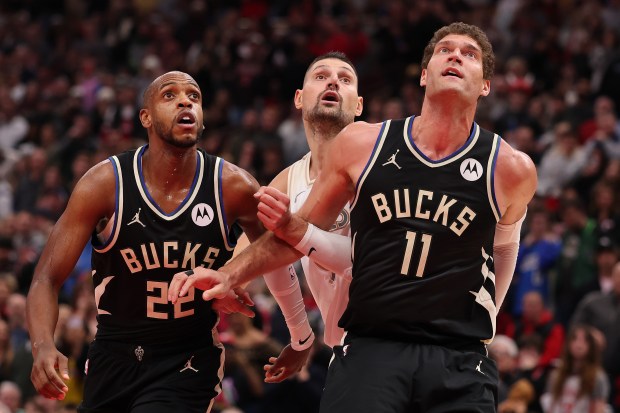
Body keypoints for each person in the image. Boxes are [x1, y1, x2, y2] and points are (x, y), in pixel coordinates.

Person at [169, 22, 538, 412]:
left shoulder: (511, 168)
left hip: (459, 357)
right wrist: (229, 274)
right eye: (445, 50)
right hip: (371, 345)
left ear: (485, 85)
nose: (456, 56)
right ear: (424, 74)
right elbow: (288, 239)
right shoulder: (365, 144)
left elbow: (504, 247)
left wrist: (489, 317)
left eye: (470, 54)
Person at [26, 71, 263, 413]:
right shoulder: (104, 183)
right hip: (113, 354)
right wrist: (43, 346)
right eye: (170, 95)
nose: (185, 101)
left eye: (194, 97)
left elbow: (276, 250)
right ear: (146, 117)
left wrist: (236, 276)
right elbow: (45, 278)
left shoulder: (234, 186)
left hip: (187, 358)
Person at [257, 51, 363, 382]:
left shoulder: (379, 160)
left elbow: (370, 261)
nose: (333, 80)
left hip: (397, 337)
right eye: (321, 76)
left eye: (344, 79)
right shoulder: (286, 182)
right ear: (299, 98)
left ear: (358, 106)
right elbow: (266, 259)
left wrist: (297, 233)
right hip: (344, 350)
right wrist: (300, 335)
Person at [540, 324, 611, 413]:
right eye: (575, 339)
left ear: (591, 346)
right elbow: (550, 403)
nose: (579, 345)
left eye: (584, 341)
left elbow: (598, 408)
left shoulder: (597, 377)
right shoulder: (556, 374)